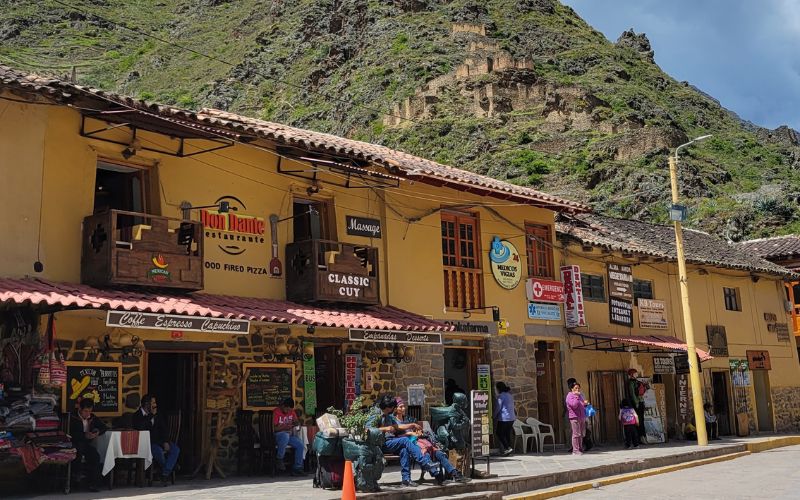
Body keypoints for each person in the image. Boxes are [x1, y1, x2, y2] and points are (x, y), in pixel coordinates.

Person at [366, 394, 440, 487]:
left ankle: (406, 480)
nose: (394, 409)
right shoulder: (375, 415)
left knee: (404, 450)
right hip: (381, 444)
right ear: (389, 407)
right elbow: (367, 429)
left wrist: (412, 425)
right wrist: (385, 428)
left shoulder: (388, 415)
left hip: (390, 442)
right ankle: (425, 462)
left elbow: (398, 426)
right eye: (393, 407)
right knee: (404, 440)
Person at [393, 398, 469, 484]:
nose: (403, 408)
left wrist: (418, 432)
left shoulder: (408, 419)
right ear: (395, 409)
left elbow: (416, 430)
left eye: (403, 406)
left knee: (439, 453)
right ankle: (438, 476)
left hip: (419, 441)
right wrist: (410, 434)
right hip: (409, 444)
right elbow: (396, 437)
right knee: (425, 454)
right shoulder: (393, 421)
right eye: (401, 407)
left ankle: (455, 474)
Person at [132, 394, 180, 485]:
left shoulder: (158, 414)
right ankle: (171, 467)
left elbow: (164, 429)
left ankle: (165, 473)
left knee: (175, 450)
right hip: (148, 443)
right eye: (153, 403)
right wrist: (151, 416)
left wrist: (166, 441)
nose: (155, 405)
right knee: (158, 452)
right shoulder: (137, 415)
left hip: (160, 441)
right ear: (147, 404)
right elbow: (140, 426)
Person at [69, 398, 107, 491]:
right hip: (74, 444)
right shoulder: (72, 417)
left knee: (95, 456)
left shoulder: (92, 417)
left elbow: (104, 427)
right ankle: (75, 480)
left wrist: (97, 432)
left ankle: (93, 484)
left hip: (85, 445)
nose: (88, 413)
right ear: (80, 409)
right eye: (85, 411)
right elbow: (70, 433)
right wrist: (84, 435)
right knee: (78, 453)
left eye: (90, 411)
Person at [273, 397, 305, 475]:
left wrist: (297, 424)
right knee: (285, 436)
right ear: (283, 406)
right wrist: (285, 427)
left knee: (300, 444)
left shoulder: (291, 412)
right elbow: (274, 429)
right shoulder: (276, 412)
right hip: (278, 435)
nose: (288, 411)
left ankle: (297, 468)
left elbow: (296, 421)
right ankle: (279, 459)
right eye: (287, 409)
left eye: (290, 410)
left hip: (288, 435)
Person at [565, 378, 590, 453]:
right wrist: (576, 396)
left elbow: (581, 405)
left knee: (581, 434)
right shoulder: (570, 396)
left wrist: (585, 404)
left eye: (578, 388)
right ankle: (575, 450)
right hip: (574, 417)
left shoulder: (580, 396)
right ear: (572, 388)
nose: (578, 390)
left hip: (581, 416)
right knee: (576, 434)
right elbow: (574, 405)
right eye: (576, 388)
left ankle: (580, 448)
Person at [494, 382, 515, 456]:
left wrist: (494, 415)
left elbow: (498, 407)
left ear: (498, 388)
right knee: (507, 434)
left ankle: (507, 448)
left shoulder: (501, 396)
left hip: (504, 418)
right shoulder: (510, 395)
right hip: (511, 418)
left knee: (499, 433)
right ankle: (508, 450)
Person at [626, 369, 646, 443]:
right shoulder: (631, 383)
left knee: (641, 420)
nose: (636, 374)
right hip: (636, 403)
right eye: (635, 373)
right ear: (631, 374)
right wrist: (636, 403)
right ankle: (639, 437)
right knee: (637, 421)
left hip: (641, 402)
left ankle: (642, 436)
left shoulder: (637, 382)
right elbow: (632, 394)